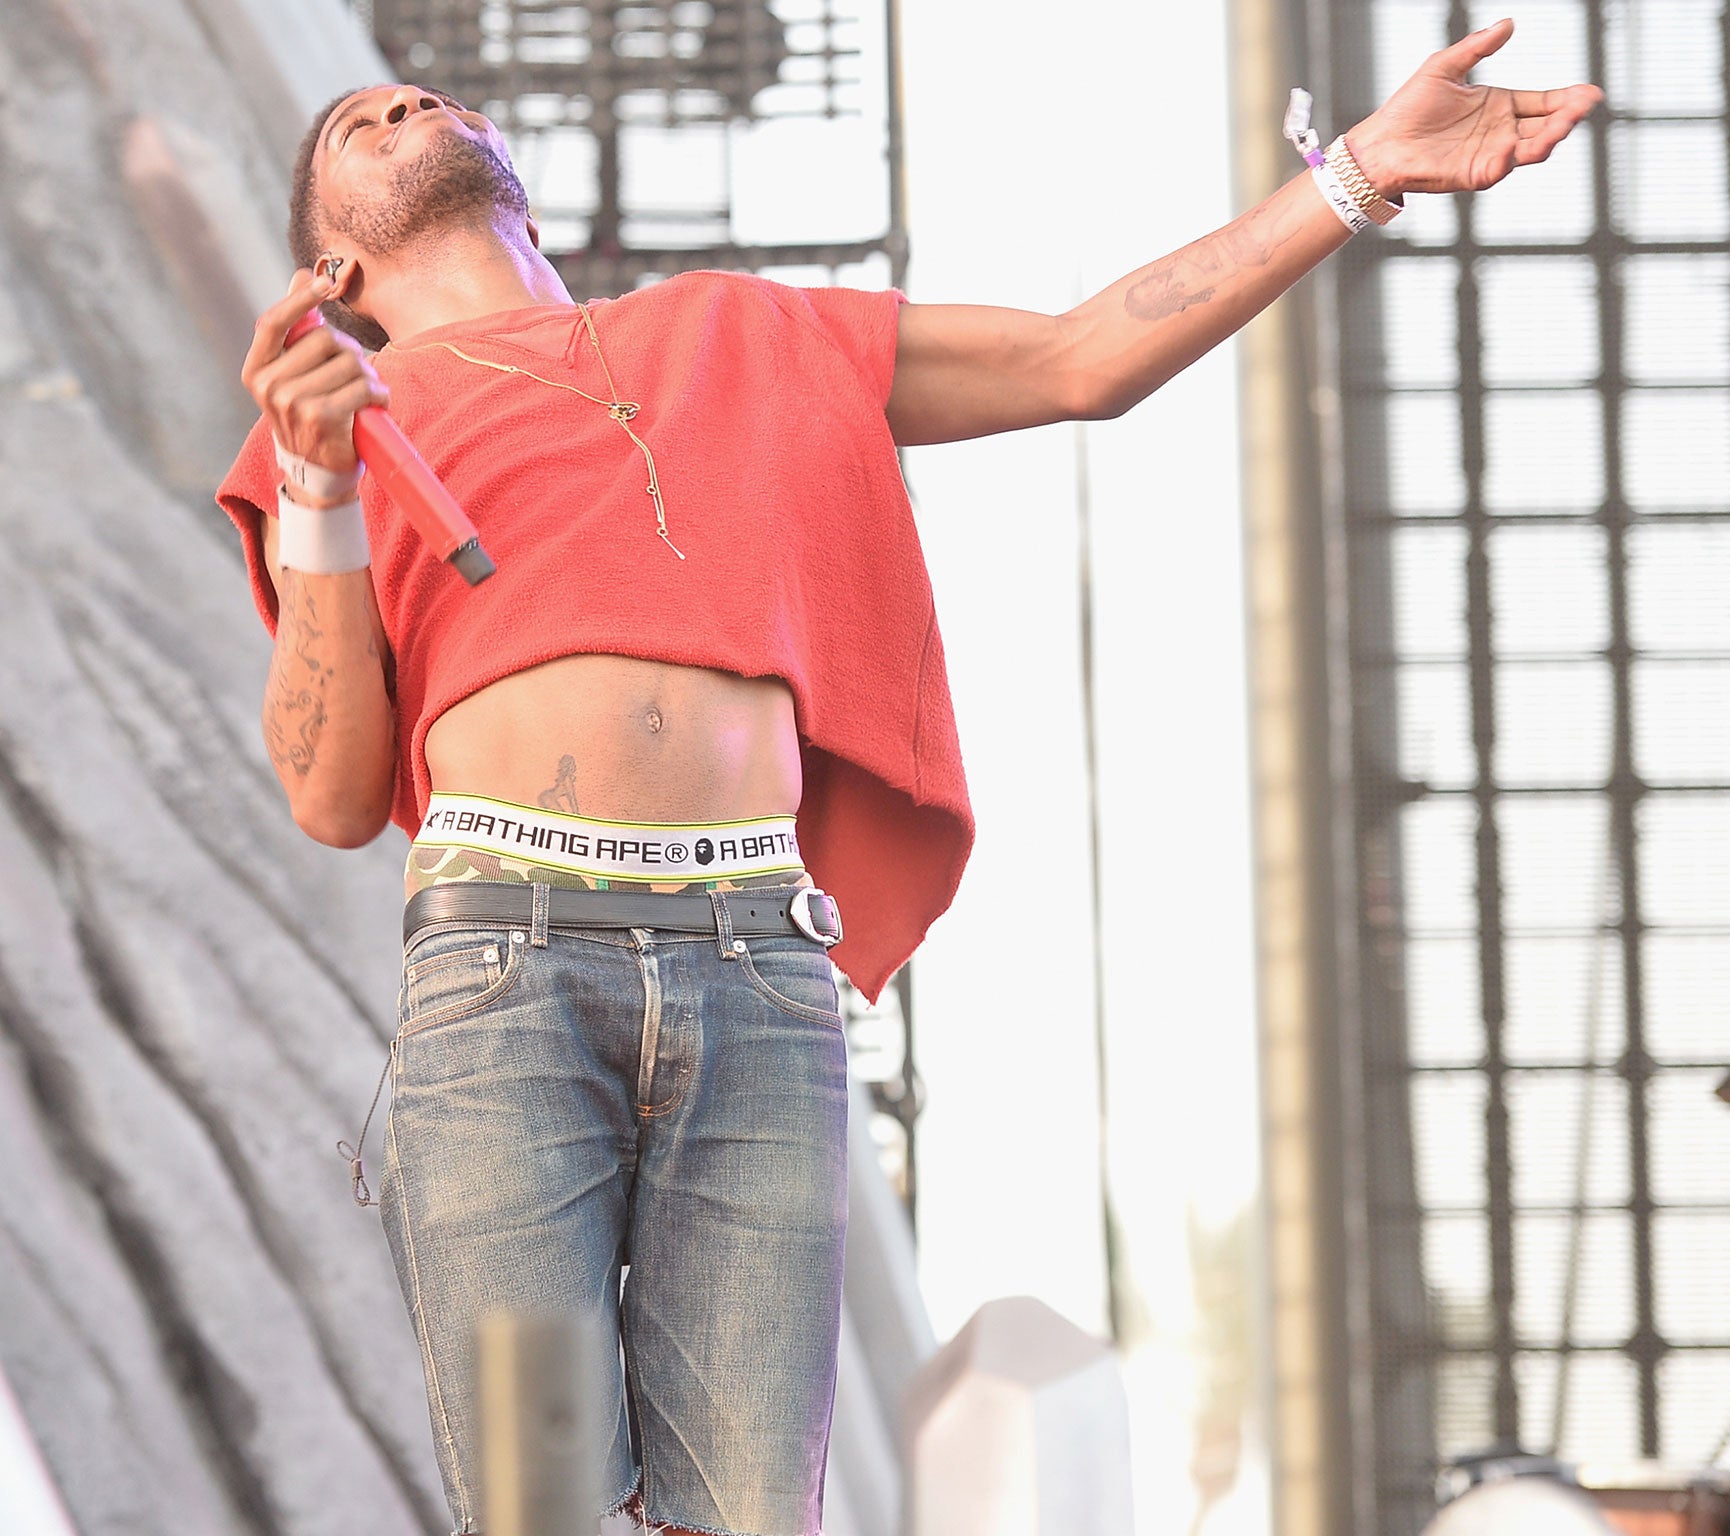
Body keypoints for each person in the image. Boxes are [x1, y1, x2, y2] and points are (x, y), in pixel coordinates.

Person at [217, 20, 1598, 1535]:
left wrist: (1354, 175)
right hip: (504, 968)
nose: (408, 98)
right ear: (329, 275)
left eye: (423, 93)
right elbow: (330, 795)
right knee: (538, 1503)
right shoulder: (347, 436)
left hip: (754, 965)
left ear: (524, 197)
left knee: (749, 1516)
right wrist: (319, 489)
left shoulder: (741, 327)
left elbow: (1083, 357)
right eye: (361, 123)